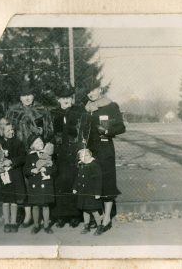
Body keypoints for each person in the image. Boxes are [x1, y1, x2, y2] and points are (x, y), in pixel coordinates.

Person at [6, 79, 53, 228]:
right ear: (19, 97)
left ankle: (42, 218)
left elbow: (49, 131)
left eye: (29, 95)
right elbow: (6, 131)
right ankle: (27, 216)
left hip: (37, 152)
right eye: (23, 95)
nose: (27, 98)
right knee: (23, 183)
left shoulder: (42, 109)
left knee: (38, 181)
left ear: (33, 96)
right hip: (20, 151)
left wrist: (45, 147)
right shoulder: (12, 111)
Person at [84, 84, 126, 235]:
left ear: (100, 90)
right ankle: (98, 216)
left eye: (93, 90)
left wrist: (108, 131)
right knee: (93, 184)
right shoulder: (87, 108)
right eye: (88, 91)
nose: (90, 93)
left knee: (107, 183)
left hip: (105, 149)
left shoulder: (111, 106)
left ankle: (106, 219)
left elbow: (121, 127)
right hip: (89, 151)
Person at [50, 86, 86, 228]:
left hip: (74, 151)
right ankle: (60, 215)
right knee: (59, 183)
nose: (66, 100)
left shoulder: (79, 112)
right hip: (58, 153)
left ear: (72, 98)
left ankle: (74, 215)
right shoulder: (53, 113)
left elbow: (83, 132)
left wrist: (81, 150)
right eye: (63, 98)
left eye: (68, 98)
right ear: (59, 99)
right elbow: (49, 132)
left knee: (74, 183)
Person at [0, 123, 26, 233]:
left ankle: (13, 223)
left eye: (12, 130)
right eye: (8, 130)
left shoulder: (18, 143)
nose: (11, 132)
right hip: (3, 175)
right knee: (5, 200)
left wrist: (12, 161)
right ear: (2, 132)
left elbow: (23, 157)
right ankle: (6, 223)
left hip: (15, 174)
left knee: (14, 200)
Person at [23, 135, 55, 234]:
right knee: (35, 206)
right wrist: (32, 170)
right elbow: (25, 170)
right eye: (37, 143)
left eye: (41, 142)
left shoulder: (48, 154)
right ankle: (36, 225)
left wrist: (47, 169)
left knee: (45, 205)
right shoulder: (29, 156)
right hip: (35, 184)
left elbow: (54, 168)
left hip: (45, 183)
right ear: (32, 146)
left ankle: (46, 225)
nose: (40, 144)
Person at [73, 149, 103, 235]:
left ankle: (99, 226)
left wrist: (97, 193)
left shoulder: (94, 165)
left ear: (90, 155)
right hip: (83, 192)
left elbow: (98, 180)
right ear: (79, 158)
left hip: (91, 192)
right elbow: (78, 178)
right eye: (82, 156)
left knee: (93, 210)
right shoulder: (81, 165)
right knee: (85, 210)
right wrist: (75, 187)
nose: (84, 157)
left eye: (86, 155)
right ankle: (86, 226)